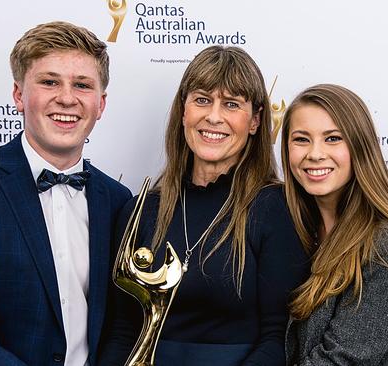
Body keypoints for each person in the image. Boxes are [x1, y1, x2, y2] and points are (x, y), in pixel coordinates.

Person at [0, 21, 131, 366]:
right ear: (19, 95)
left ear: (101, 104)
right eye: (49, 82)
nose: (66, 97)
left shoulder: (120, 201)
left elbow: (120, 326)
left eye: (82, 85)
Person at [98, 46, 309, 366]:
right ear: (183, 111)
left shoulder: (274, 209)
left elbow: (278, 339)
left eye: (231, 104)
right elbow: (121, 331)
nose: (214, 116)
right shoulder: (140, 210)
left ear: (255, 121)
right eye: (201, 99)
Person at [281, 84, 388, 365]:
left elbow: (341, 360)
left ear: (360, 147)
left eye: (332, 139)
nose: (315, 154)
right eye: (302, 139)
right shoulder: (298, 232)